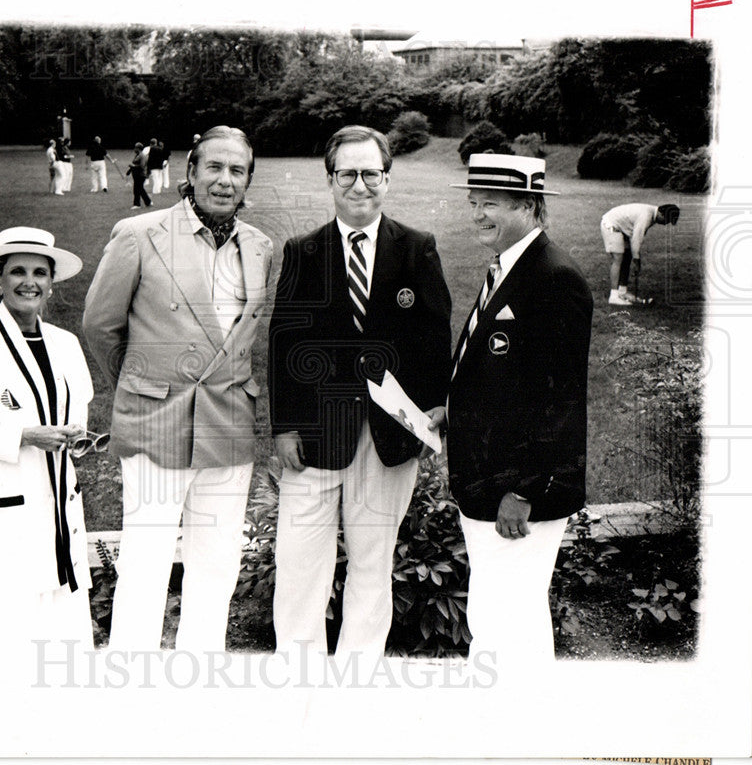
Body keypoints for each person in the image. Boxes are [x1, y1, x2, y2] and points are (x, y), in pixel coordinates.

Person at [83, 126, 272, 653]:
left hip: (228, 426)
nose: (224, 180)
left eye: (237, 170)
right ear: (190, 172)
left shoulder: (260, 247)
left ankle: (200, 676)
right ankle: (130, 679)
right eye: (214, 167)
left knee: (217, 564)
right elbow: (100, 326)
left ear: (248, 181)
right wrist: (142, 384)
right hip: (155, 425)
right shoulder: (138, 235)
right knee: (146, 562)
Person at [268, 125, 452, 662]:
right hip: (315, 436)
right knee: (302, 563)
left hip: (390, 438)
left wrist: (428, 414)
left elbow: (434, 338)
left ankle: (357, 678)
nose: (359, 185)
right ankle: (297, 678)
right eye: (347, 174)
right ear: (330, 180)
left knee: (372, 564)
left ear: (387, 180)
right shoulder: (303, 252)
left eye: (371, 173)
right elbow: (283, 344)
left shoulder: (417, 249)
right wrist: (283, 426)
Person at [447, 154, 593, 667]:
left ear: (530, 208)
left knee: (509, 616)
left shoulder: (554, 278)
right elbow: (498, 375)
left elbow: (560, 400)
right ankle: (511, 726)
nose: (478, 215)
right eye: (474, 203)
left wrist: (524, 490)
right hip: (488, 481)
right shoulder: (510, 268)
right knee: (497, 613)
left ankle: (513, 728)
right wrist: (449, 409)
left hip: (517, 493)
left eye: (491, 204)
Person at [0, 226, 94, 656]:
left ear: (51, 283)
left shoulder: (65, 344)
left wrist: (78, 438)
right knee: (4, 622)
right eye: (18, 272)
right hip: (2, 507)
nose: (30, 282)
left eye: (40, 273)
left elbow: (75, 411)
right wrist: (24, 436)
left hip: (57, 501)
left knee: (58, 617)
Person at [601, 202, 680, 305]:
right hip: (611, 225)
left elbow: (635, 238)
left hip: (622, 228)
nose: (666, 223)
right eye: (666, 220)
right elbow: (636, 239)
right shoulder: (646, 216)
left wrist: (634, 257)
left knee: (627, 257)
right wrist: (637, 260)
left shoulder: (652, 214)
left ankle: (622, 292)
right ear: (661, 213)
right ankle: (614, 296)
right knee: (618, 258)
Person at [127, 142, 151, 209]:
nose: (134, 149)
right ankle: (148, 202)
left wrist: (133, 166)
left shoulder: (142, 155)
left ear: (138, 148)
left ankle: (137, 204)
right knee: (140, 189)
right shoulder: (137, 155)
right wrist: (129, 171)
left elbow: (142, 166)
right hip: (137, 175)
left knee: (137, 189)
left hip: (140, 175)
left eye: (135, 148)